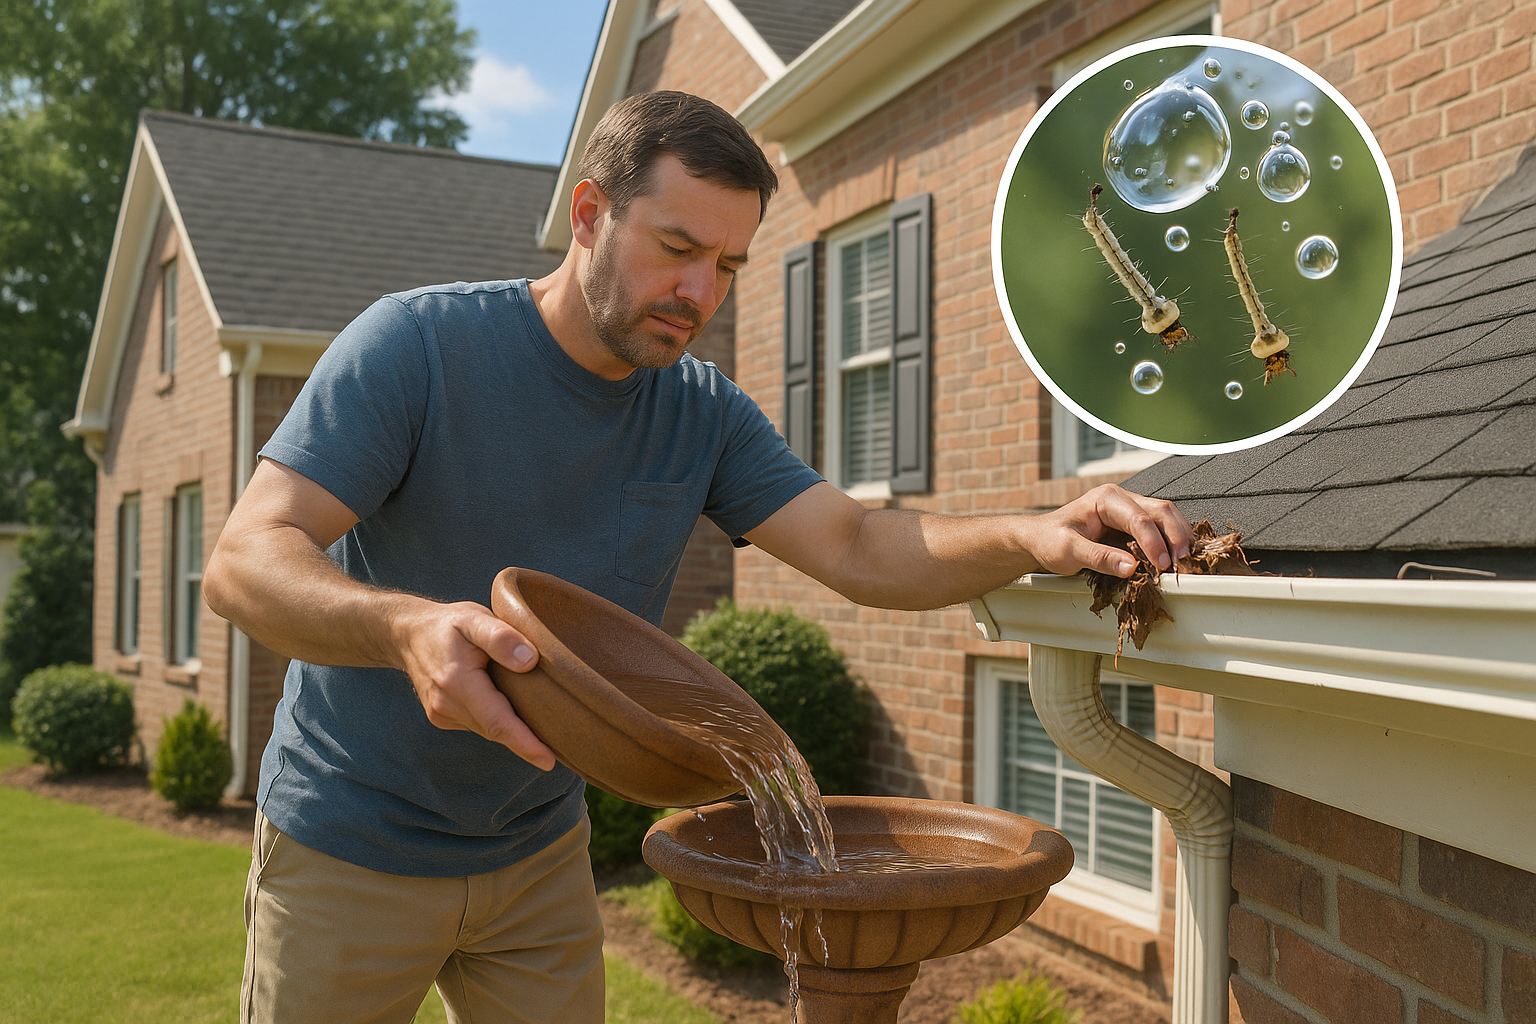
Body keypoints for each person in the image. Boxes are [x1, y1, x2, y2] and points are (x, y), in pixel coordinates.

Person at [204, 90, 1192, 1024]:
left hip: (536, 854)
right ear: (589, 215)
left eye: (729, 265)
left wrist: (1030, 534)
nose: (699, 292)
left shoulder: (701, 413)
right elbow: (246, 559)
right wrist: (406, 628)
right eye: (677, 248)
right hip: (349, 843)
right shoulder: (418, 348)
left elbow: (858, 544)